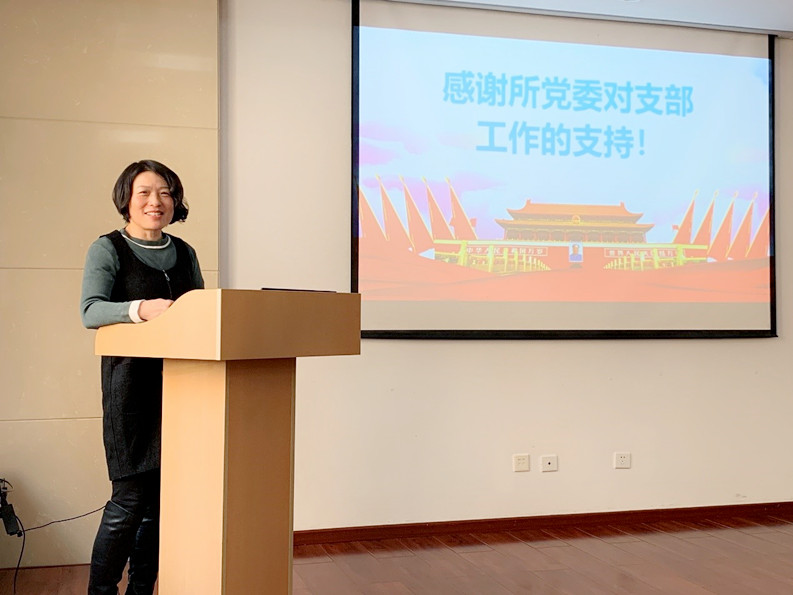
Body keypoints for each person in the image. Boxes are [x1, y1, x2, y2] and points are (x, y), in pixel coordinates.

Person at [80, 160, 204, 594]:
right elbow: (90, 310)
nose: (156, 201)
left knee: (159, 502)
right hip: (130, 390)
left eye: (165, 192)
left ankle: (141, 590)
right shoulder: (107, 248)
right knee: (130, 500)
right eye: (145, 193)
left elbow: (200, 313)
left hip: (184, 387)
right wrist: (141, 309)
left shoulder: (185, 252)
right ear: (127, 200)